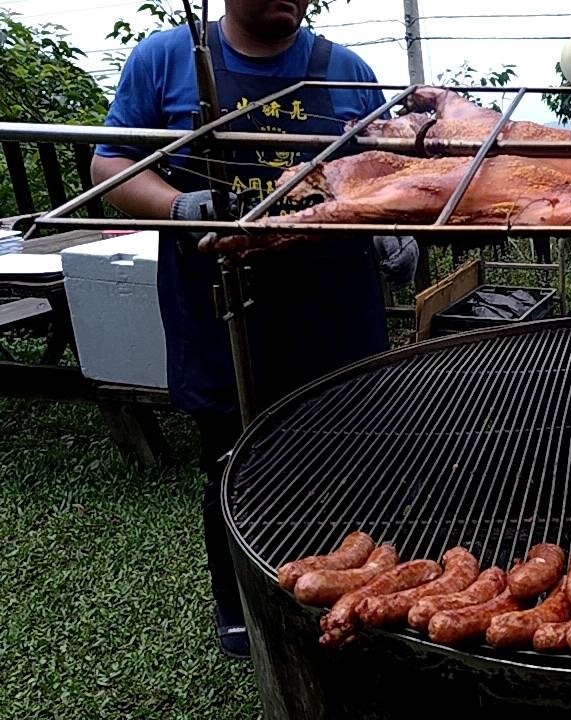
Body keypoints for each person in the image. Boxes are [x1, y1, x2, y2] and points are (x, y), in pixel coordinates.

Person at [92, 0, 394, 660]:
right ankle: (242, 604)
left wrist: (399, 233)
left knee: (350, 463)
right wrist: (177, 203)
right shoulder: (167, 59)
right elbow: (108, 165)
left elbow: (385, 175)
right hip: (223, 309)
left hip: (334, 308)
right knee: (232, 462)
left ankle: (341, 597)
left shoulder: (346, 71)